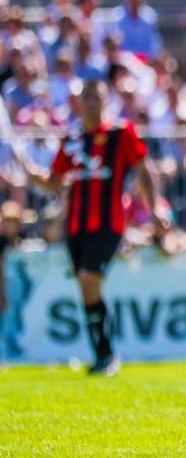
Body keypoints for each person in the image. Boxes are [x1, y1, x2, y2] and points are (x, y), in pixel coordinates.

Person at [19, 79, 169, 375]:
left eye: (96, 97)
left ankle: (107, 355)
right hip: (75, 226)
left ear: (105, 101)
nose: (91, 102)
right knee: (86, 289)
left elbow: (143, 169)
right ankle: (101, 355)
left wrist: (154, 208)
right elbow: (55, 180)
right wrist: (32, 174)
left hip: (108, 224)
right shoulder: (72, 138)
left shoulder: (120, 133)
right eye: (86, 97)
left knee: (89, 281)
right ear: (79, 102)